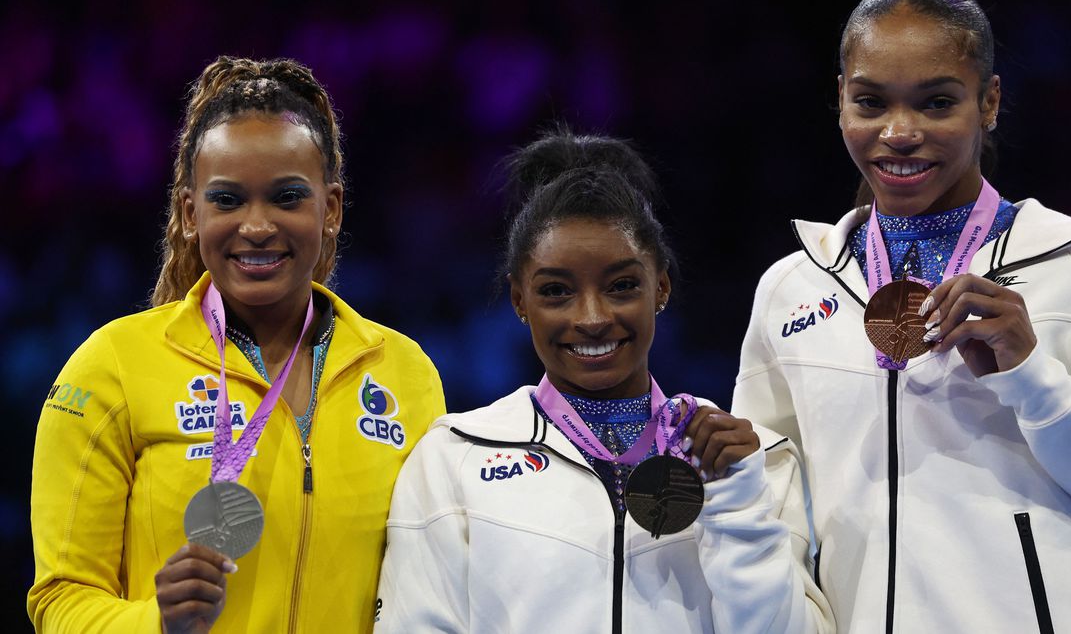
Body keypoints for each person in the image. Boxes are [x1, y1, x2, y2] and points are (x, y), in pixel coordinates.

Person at [732, 0, 1071, 633]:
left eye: (936, 103)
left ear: (989, 102)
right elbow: (773, 519)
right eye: (870, 102)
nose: (899, 132)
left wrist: (1035, 380)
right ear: (841, 100)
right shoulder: (792, 291)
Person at [28, 56, 446, 633]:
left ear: (330, 209)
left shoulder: (405, 374)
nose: (256, 226)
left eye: (287, 197)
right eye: (227, 200)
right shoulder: (113, 367)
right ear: (189, 213)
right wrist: (156, 623)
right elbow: (60, 600)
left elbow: (431, 592)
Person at [374, 129, 834, 632]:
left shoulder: (754, 460)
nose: (592, 318)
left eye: (621, 286)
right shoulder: (454, 459)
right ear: (519, 300)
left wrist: (737, 508)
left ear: (661, 287)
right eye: (556, 291)